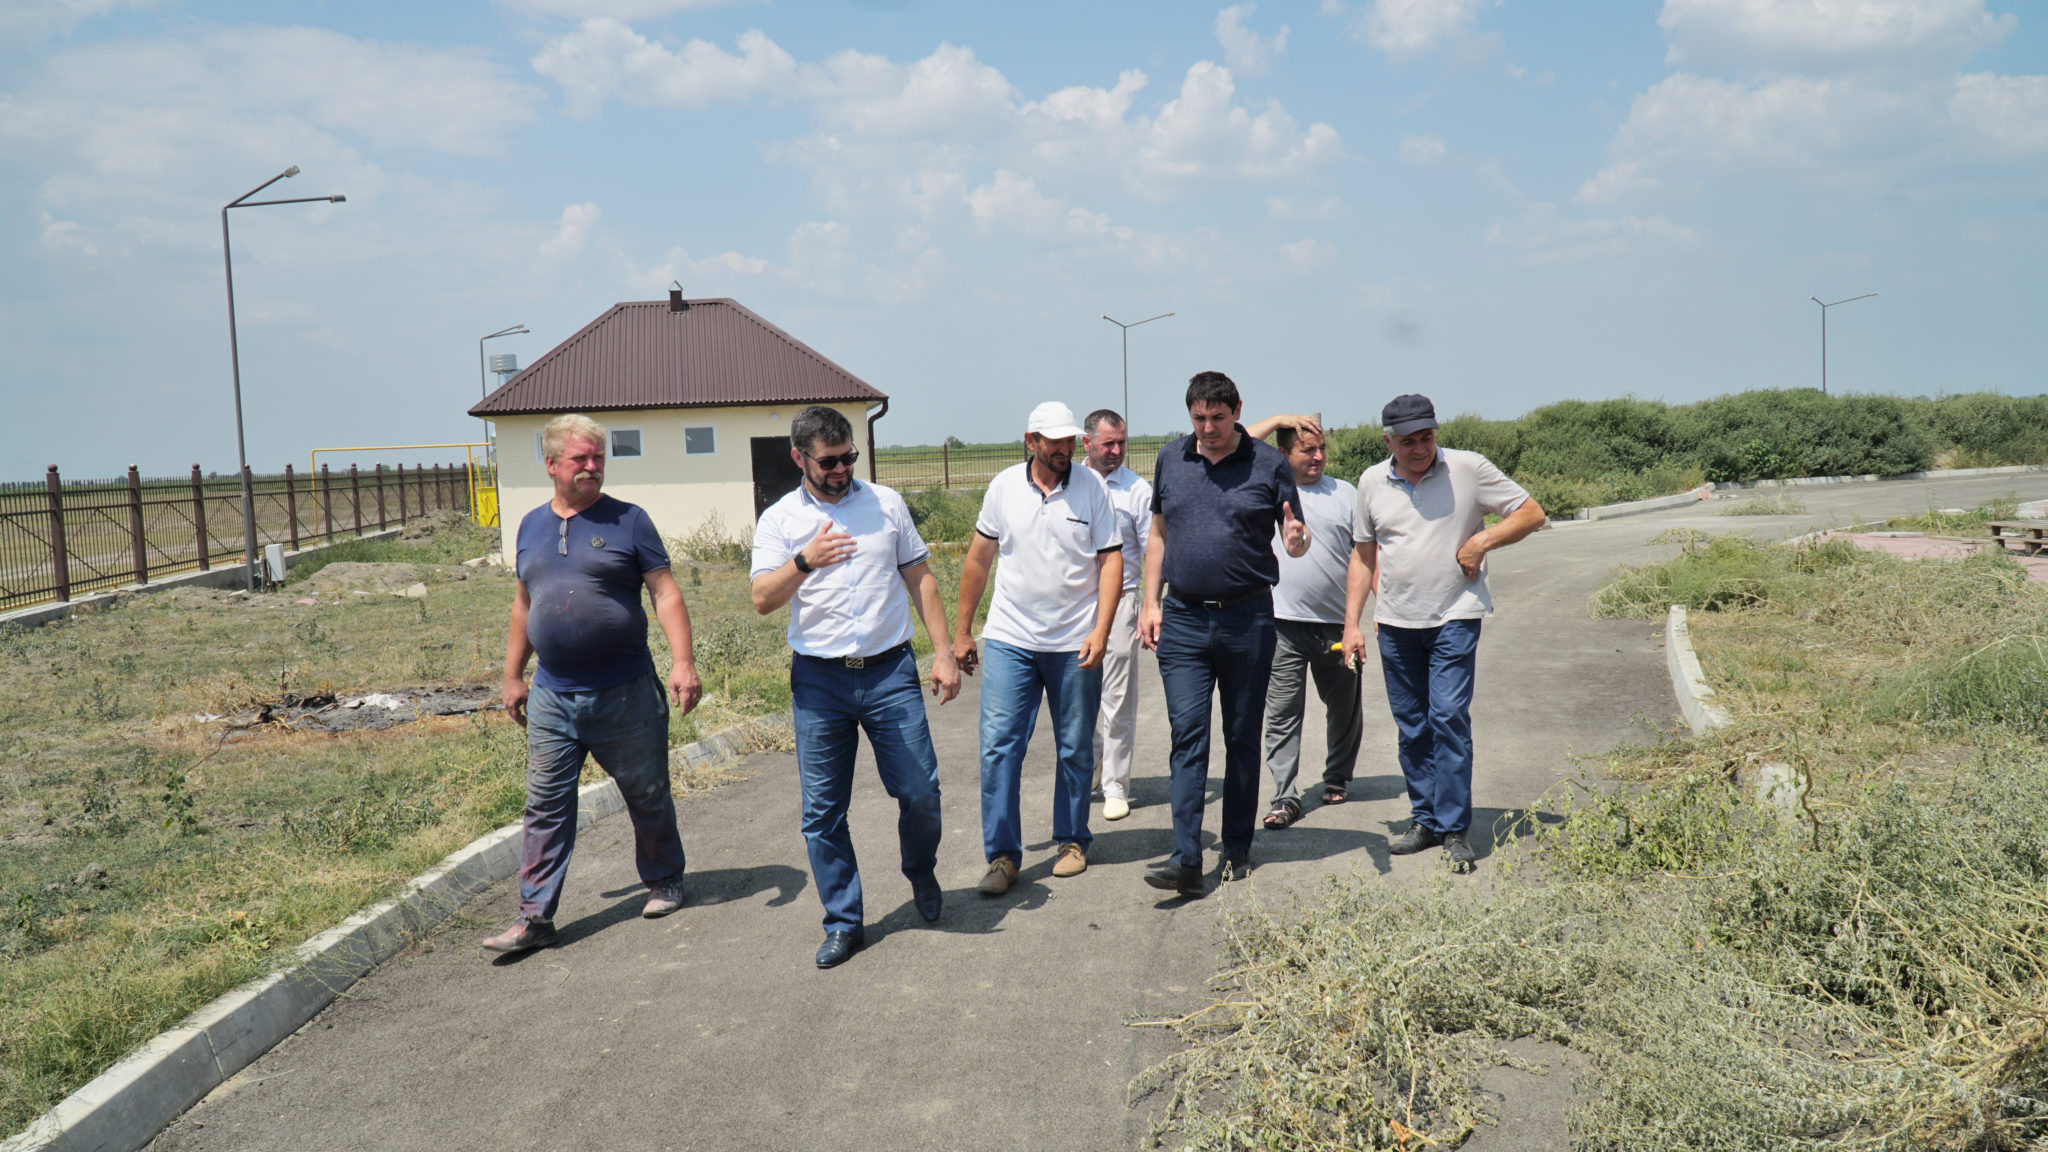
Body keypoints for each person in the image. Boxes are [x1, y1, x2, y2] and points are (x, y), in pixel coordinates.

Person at [751, 405, 962, 968]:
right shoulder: (779, 521)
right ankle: (845, 921)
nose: (842, 468)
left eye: (849, 457)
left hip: (891, 672)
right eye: (829, 461)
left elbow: (919, 577)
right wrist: (805, 560)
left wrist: (942, 653)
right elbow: (763, 599)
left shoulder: (886, 504)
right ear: (799, 458)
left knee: (920, 791)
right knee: (822, 813)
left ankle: (920, 872)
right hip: (819, 681)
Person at [484, 413, 702, 955]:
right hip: (554, 694)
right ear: (551, 463)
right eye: (580, 459)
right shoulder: (531, 526)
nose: (591, 467)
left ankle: (664, 878)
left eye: (598, 458)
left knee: (646, 792)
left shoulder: (630, 521)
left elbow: (666, 593)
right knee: (545, 804)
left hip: (624, 690)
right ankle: (535, 916)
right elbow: (524, 603)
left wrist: (683, 662)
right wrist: (513, 675)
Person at [1341, 394, 1546, 872]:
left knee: (1448, 716)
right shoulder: (1372, 481)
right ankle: (1425, 819)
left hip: (1456, 613)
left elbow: (1531, 513)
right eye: (1408, 441)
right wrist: (1352, 624)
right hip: (1395, 622)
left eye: (1427, 438)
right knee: (1412, 726)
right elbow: (1363, 556)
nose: (1419, 449)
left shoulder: (1467, 469)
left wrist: (1483, 539)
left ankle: (1455, 828)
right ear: (1387, 440)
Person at [1138, 372, 1311, 896]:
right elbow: (1158, 533)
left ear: (1238, 410)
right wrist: (1150, 602)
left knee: (1240, 736)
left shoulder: (1269, 465)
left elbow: (1294, 538)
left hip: (1248, 619)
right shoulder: (1171, 458)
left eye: (1217, 417)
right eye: (1198, 418)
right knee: (1187, 735)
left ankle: (1236, 847)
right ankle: (1186, 857)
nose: (1207, 428)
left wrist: (1298, 540)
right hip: (1184, 621)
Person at [953, 402, 1122, 895]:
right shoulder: (1004, 487)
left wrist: (1101, 630)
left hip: (1075, 641)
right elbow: (979, 562)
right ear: (1031, 440)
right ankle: (1003, 857)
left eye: (1070, 440)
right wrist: (964, 631)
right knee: (999, 747)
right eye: (1054, 441)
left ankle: (1071, 841)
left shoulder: (1093, 489)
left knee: (1073, 746)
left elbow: (1111, 563)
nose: (1065, 449)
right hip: (1010, 639)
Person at [1256, 421, 1364, 830]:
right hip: (1282, 623)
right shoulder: (1270, 490)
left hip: (1337, 625)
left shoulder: (1346, 494)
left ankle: (1337, 777)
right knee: (1282, 712)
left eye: (1320, 449)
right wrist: (1279, 419)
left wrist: (1357, 619)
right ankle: (1285, 796)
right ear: (1284, 454)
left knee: (1343, 707)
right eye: (1306, 450)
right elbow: (1241, 441)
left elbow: (1365, 556)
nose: (1317, 456)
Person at [1081, 408, 1151, 823]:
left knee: (1117, 698)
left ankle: (1115, 785)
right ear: (1086, 443)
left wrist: (1149, 604)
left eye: (1122, 442)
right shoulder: (1072, 482)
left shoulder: (1137, 491)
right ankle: (1088, 769)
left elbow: (1152, 549)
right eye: (1108, 443)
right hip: (1077, 605)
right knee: (1078, 694)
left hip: (1122, 601)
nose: (1116, 450)